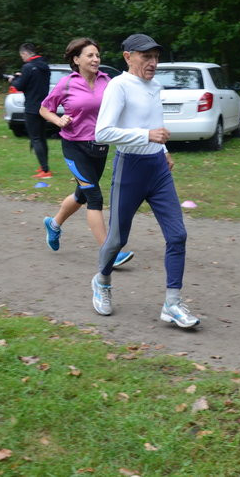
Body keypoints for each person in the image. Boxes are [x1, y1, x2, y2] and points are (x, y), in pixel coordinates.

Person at [90, 33, 198, 329]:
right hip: (131, 167)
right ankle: (102, 280)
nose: (153, 63)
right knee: (117, 239)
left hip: (157, 169)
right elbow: (103, 133)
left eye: (156, 57)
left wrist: (163, 149)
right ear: (128, 57)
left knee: (177, 235)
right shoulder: (118, 86)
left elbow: (154, 123)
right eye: (146, 57)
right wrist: (146, 136)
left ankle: (172, 304)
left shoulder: (155, 86)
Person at [38, 37, 134, 268]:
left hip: (99, 147)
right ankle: (109, 253)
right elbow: (44, 108)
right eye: (90, 55)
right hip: (75, 147)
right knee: (94, 197)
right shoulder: (67, 84)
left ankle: (54, 224)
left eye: (97, 55)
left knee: (82, 195)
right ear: (76, 59)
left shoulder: (106, 81)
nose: (95, 59)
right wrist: (58, 120)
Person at [10, 43, 52, 178]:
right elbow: (35, 82)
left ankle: (45, 171)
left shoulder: (28, 67)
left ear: (25, 53)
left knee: (36, 138)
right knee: (42, 137)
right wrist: (22, 76)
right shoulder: (44, 65)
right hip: (44, 106)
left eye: (22, 55)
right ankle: (43, 166)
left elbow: (20, 86)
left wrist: (14, 79)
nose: (22, 58)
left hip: (31, 107)